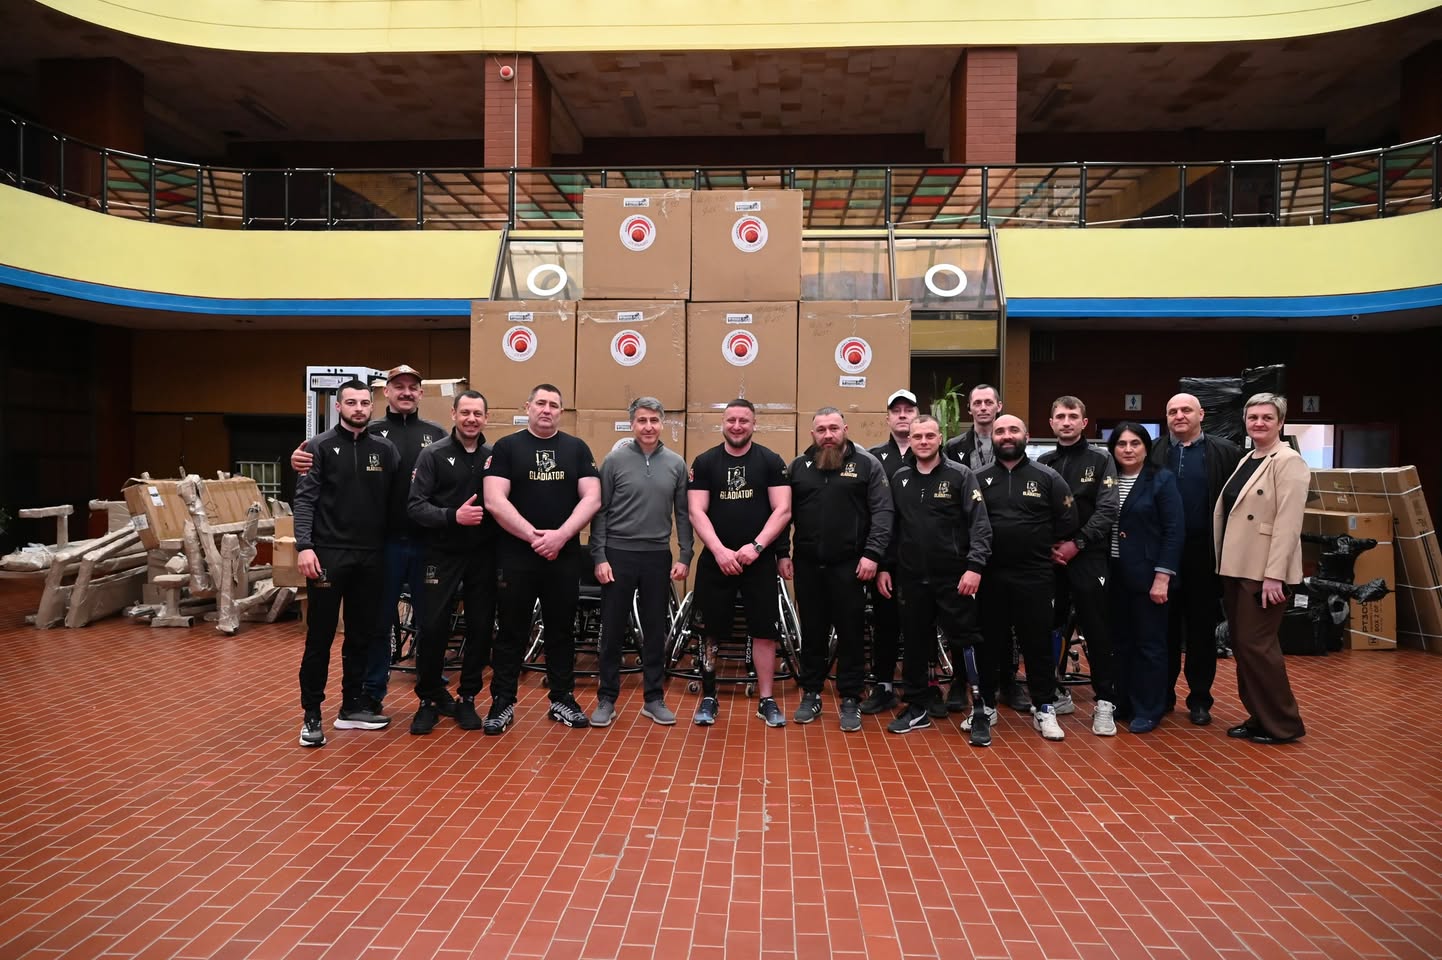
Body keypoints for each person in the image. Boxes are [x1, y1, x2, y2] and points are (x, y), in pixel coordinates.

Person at [291, 364, 446, 716]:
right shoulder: (352, 438)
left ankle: (422, 693)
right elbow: (307, 494)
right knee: (358, 629)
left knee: (420, 624)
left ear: (420, 393)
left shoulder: (427, 437)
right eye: (398, 386)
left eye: (412, 387)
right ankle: (356, 697)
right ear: (385, 393)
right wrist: (305, 544)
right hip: (367, 548)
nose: (405, 392)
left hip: (409, 546)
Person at [482, 383, 601, 734]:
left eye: (553, 405)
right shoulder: (507, 447)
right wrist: (533, 536)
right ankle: (502, 703)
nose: (547, 409)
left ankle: (562, 699)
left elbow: (592, 498)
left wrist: (561, 536)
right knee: (511, 631)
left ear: (561, 411)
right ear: (528, 407)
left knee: (561, 630)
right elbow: (494, 499)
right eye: (541, 403)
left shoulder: (576, 449)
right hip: (516, 556)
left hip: (562, 557)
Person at [293, 380, 400, 746]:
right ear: (338, 407)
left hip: (371, 556)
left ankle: (352, 706)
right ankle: (311, 714)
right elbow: (305, 500)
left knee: (360, 636)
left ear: (372, 407)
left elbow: (398, 500)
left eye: (364, 403)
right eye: (351, 402)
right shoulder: (319, 447)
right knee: (320, 637)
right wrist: (304, 547)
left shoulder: (385, 449)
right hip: (327, 555)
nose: (359, 408)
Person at [877, 415, 993, 745]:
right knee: (914, 641)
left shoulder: (961, 475)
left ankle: (980, 709)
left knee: (966, 640)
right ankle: (917, 706)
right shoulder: (899, 478)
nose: (924, 441)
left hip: (956, 577)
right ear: (910, 440)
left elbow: (980, 525)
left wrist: (975, 567)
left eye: (930, 436)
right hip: (911, 577)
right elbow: (892, 527)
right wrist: (884, 566)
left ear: (940, 438)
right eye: (918, 436)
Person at [780, 408, 892, 732]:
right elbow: (783, 514)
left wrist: (872, 555)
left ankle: (851, 698)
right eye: (821, 429)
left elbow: (883, 512)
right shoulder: (798, 467)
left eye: (833, 428)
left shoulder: (868, 465)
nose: (827, 435)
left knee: (851, 634)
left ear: (845, 428)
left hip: (852, 566)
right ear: (812, 433)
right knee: (812, 632)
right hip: (807, 565)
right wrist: (782, 553)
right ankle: (811, 693)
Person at [687, 399, 793, 727]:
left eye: (743, 420)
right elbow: (696, 511)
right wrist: (719, 550)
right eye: (731, 420)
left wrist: (757, 546)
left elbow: (783, 510)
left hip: (757, 562)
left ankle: (767, 699)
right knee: (709, 632)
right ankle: (708, 697)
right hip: (716, 560)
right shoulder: (705, 462)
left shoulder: (770, 461)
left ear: (754, 424)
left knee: (764, 631)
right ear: (723, 422)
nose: (736, 426)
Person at [590, 397, 694, 728]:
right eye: (642, 421)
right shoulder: (614, 461)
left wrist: (685, 555)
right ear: (632, 424)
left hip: (656, 556)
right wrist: (599, 556)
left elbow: (683, 513)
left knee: (654, 629)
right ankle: (607, 698)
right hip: (617, 554)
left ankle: (653, 698)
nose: (648, 427)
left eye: (654, 420)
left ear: (662, 424)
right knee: (612, 630)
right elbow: (600, 512)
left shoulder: (676, 464)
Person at [975, 414, 1079, 741]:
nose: (1006, 435)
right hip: (990, 576)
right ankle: (986, 707)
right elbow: (966, 523)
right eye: (1000, 431)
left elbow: (1068, 519)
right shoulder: (977, 479)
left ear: (1026, 435)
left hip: (1035, 576)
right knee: (988, 644)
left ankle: (1044, 708)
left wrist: (1044, 546)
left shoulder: (1048, 477)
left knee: (1037, 644)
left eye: (1013, 430)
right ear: (993, 438)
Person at [1215, 394, 1308, 745]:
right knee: (1243, 645)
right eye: (1253, 417)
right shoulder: (1249, 458)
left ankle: (1283, 724)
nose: (1259, 423)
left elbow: (1288, 524)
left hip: (1263, 572)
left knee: (1258, 646)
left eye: (1267, 417)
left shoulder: (1289, 461)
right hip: (1237, 566)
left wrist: (1274, 575)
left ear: (1281, 422)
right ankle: (1259, 716)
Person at [405, 390, 497, 734]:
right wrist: (452, 516)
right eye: (465, 412)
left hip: (482, 555)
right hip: (440, 553)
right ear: (454, 414)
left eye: (478, 413)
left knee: (480, 627)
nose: (471, 419)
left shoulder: (493, 458)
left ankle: (468, 697)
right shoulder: (433, 454)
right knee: (432, 627)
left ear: (486, 418)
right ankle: (428, 699)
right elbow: (415, 506)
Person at [1151, 392, 1242, 725]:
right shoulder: (1154, 451)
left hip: (1204, 554)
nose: (1179, 416)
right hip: (1162, 555)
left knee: (1201, 630)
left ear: (1201, 414)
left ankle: (1200, 699)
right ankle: (1163, 695)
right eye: (1172, 411)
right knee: (1164, 629)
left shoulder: (1226, 453)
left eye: (1186, 410)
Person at [1038, 396, 1119, 733]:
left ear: (1084, 422)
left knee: (1096, 630)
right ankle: (1054, 692)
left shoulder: (1101, 460)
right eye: (1060, 416)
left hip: (1088, 557)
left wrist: (1078, 543)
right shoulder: (1044, 463)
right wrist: (1048, 545)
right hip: (1051, 559)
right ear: (1051, 423)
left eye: (1073, 416)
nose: (1066, 421)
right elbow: (1035, 511)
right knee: (1048, 627)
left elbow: (1108, 508)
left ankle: (1105, 703)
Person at [1106, 422, 1184, 734]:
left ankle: (1149, 708)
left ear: (1146, 447)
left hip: (1149, 576)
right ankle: (1123, 701)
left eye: (1135, 443)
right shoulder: (1108, 479)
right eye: (1121, 444)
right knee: (1121, 642)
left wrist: (1162, 577)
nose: (1128, 449)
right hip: (1114, 574)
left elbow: (1174, 531)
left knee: (1149, 645)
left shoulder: (1161, 479)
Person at [862, 388, 918, 714]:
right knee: (885, 625)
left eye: (908, 410)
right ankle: (883, 685)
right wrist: (880, 561)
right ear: (887, 418)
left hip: (924, 560)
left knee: (920, 626)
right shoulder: (873, 459)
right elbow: (872, 513)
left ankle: (922, 687)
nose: (902, 415)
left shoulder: (932, 454)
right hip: (889, 559)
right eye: (896, 411)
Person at [943, 383, 1002, 470]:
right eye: (977, 403)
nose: (983, 408)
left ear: (999, 406)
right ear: (969, 408)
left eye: (989, 402)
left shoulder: (1009, 443)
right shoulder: (953, 447)